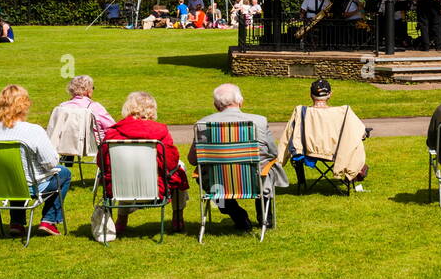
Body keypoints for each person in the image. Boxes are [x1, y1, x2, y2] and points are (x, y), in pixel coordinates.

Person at [188, 84, 287, 231]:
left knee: (203, 177)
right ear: (241, 101)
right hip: (255, 180)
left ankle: (236, 214)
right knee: (269, 168)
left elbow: (192, 160)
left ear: (216, 105)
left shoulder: (203, 124)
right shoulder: (259, 121)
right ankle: (264, 215)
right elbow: (273, 153)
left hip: (219, 183)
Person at [0, 84, 71, 236]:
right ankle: (49, 221)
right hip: (28, 185)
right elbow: (50, 163)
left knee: (14, 172)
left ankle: (16, 223)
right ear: (24, 105)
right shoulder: (32, 130)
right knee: (64, 173)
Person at [101, 91, 189, 234]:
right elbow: (171, 163)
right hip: (155, 187)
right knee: (180, 169)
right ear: (152, 109)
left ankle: (121, 220)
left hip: (121, 187)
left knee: (123, 171)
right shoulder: (161, 131)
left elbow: (102, 162)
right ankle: (177, 217)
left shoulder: (114, 133)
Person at [279, 79, 369, 189]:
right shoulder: (343, 112)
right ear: (330, 94)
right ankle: (356, 171)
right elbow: (360, 131)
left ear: (311, 95)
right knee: (356, 141)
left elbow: (287, 136)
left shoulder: (301, 111)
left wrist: (280, 161)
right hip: (338, 154)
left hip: (307, 153)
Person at [59, 75, 116, 146]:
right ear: (87, 90)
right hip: (92, 146)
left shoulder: (62, 107)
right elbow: (112, 127)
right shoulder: (95, 107)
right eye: (92, 88)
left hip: (67, 145)